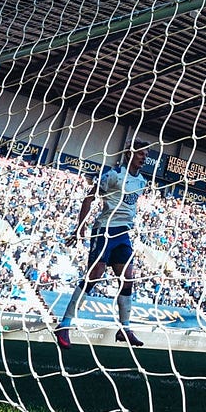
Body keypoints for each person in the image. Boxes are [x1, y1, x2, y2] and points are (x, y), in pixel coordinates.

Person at [55, 141, 151, 349]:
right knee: (95, 273)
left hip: (124, 234)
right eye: (140, 154)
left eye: (146, 155)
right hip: (105, 230)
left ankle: (124, 328)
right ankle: (65, 324)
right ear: (129, 154)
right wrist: (80, 227)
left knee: (128, 278)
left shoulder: (142, 181)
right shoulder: (114, 175)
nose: (143, 158)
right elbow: (89, 198)